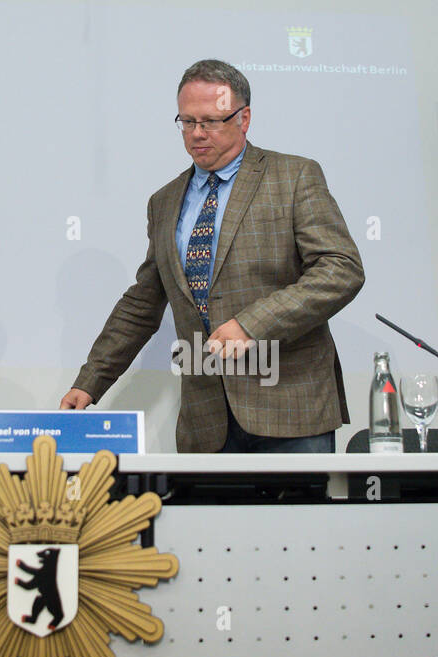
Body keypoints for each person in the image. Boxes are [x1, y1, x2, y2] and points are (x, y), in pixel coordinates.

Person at [60, 60, 364, 452]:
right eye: (187, 122)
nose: (197, 134)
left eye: (210, 121)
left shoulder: (294, 177)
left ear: (244, 118)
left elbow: (341, 270)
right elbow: (143, 303)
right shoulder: (164, 201)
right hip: (206, 423)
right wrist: (90, 382)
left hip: (291, 411)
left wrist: (252, 325)